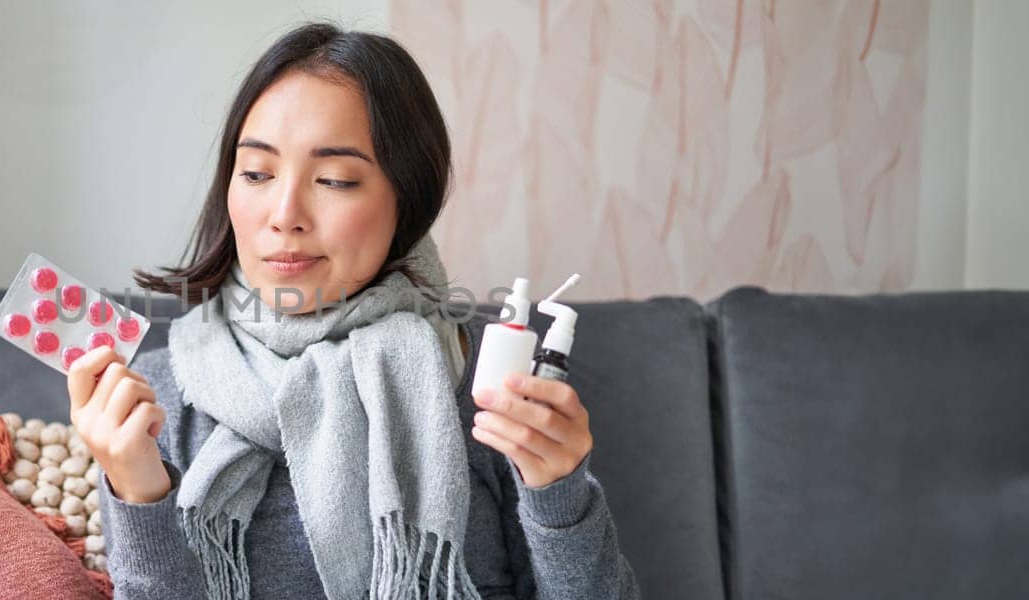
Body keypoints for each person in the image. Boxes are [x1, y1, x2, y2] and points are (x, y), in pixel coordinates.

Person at [69, 21, 639, 599]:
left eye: (336, 180)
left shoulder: (489, 379)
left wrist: (560, 491)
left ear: (406, 199)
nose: (284, 213)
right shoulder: (155, 400)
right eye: (257, 173)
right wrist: (137, 487)